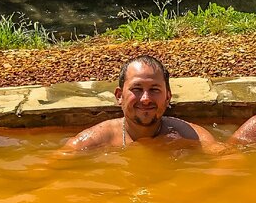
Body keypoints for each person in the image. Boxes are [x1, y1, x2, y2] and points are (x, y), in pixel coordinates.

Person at [60, 55, 221, 152]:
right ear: (119, 96)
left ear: (168, 97)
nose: (145, 99)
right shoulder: (93, 141)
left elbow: (229, 160)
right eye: (137, 89)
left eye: (155, 90)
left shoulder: (191, 136)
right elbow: (50, 168)